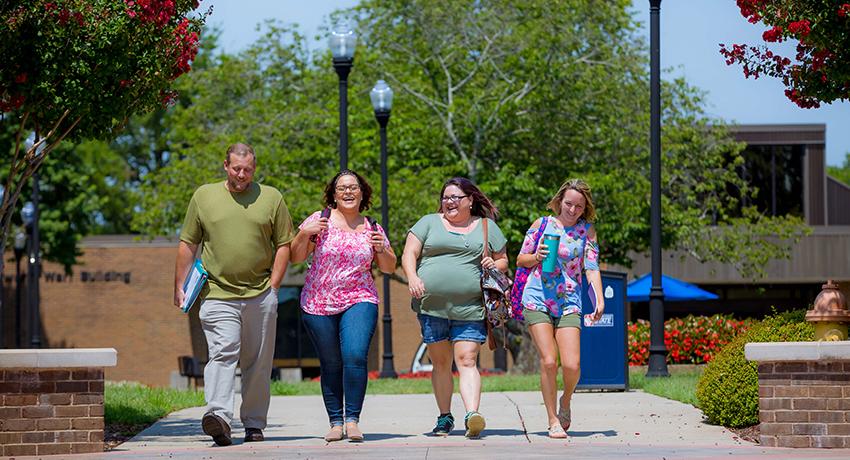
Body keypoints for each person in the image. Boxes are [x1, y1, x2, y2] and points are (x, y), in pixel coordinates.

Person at [173, 143, 295, 446]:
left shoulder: (272, 198)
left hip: (260, 293)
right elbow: (188, 243)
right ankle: (219, 417)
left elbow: (284, 244)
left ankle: (253, 423)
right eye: (237, 168)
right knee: (222, 352)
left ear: (254, 168)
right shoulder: (204, 196)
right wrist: (179, 285)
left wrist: (274, 286)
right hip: (217, 292)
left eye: (248, 170)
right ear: (225, 165)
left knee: (258, 361)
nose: (242, 175)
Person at [289, 170, 397, 442]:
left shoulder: (372, 226)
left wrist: (381, 249)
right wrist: (304, 234)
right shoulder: (319, 219)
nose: (348, 192)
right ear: (334, 194)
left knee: (355, 356)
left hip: (360, 298)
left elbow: (388, 267)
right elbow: (295, 257)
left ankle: (352, 421)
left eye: (353, 187)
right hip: (318, 302)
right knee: (331, 362)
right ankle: (335, 422)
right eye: (342, 188)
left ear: (362, 193)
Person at [401, 177, 508, 439]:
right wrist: (412, 277)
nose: (449, 202)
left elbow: (503, 260)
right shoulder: (428, 222)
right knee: (440, 363)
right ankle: (445, 417)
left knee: (467, 360)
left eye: (455, 197)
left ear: (470, 201)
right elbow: (409, 253)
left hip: (471, 307)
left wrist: (495, 265)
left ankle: (472, 415)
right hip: (431, 306)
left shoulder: (487, 226)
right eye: (445, 197)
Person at [515, 178, 604, 439]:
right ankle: (553, 419)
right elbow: (520, 259)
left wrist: (599, 299)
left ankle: (566, 399)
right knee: (549, 360)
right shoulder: (542, 224)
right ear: (559, 201)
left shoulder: (587, 231)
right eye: (568, 203)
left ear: (585, 208)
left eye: (579, 206)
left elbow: (591, 267)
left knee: (572, 365)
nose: (572, 210)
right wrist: (537, 256)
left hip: (569, 301)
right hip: (537, 297)